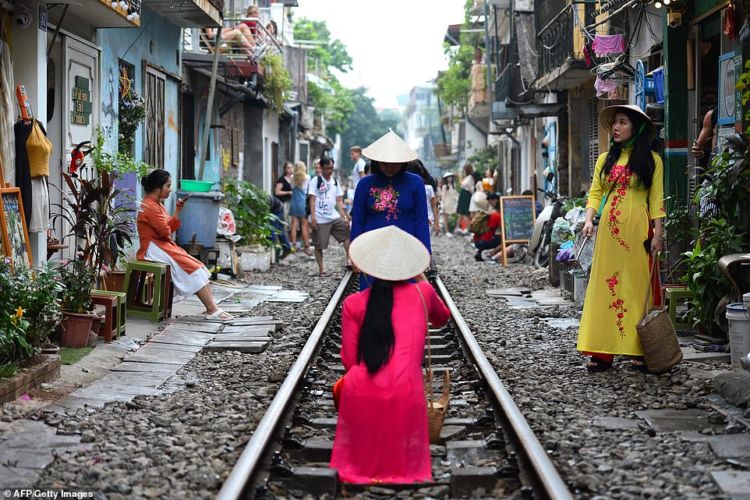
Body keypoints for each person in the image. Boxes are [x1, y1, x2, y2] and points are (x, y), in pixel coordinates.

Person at [330, 226, 451, 484]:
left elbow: (350, 362)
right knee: (393, 389)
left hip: (361, 393)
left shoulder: (354, 303)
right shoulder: (423, 293)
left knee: (345, 385)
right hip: (408, 394)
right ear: (408, 265)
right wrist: (422, 280)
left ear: (369, 266)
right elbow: (442, 318)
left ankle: (368, 447)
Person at [577, 104, 665, 372]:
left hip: (639, 233)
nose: (616, 127)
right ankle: (602, 351)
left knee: (636, 287)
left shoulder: (652, 161)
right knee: (606, 287)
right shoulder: (605, 160)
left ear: (635, 128)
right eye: (615, 122)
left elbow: (656, 200)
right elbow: (595, 193)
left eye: (623, 122)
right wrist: (589, 218)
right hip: (609, 235)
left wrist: (658, 234)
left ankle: (638, 349)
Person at [136, 170, 233, 320]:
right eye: (168, 186)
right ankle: (212, 309)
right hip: (153, 248)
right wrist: (168, 224)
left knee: (197, 266)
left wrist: (177, 210)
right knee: (191, 268)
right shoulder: (150, 206)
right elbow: (164, 231)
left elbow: (169, 227)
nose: (170, 190)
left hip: (162, 246)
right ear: (157, 187)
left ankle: (212, 308)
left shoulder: (156, 205)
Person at [350, 131, 430, 290]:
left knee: (406, 296)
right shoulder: (365, 184)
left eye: (394, 163)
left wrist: (425, 252)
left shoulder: (416, 183)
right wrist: (353, 253)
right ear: (376, 161)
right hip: (372, 249)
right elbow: (358, 220)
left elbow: (421, 220)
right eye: (385, 163)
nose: (390, 167)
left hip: (406, 248)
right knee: (372, 297)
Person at [308, 154, 350, 276]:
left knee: (347, 232)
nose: (329, 171)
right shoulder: (315, 181)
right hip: (320, 218)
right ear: (321, 168)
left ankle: (349, 259)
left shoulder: (335, 181)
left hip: (333, 216)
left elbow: (339, 201)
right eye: (326, 168)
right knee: (319, 245)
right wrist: (313, 217)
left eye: (331, 168)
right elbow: (312, 200)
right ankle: (322, 269)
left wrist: (344, 217)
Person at [407, 159, 440, 236]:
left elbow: (434, 205)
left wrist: (436, 222)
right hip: (428, 219)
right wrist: (436, 222)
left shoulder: (428, 187)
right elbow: (434, 205)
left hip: (424, 220)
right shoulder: (429, 186)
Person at [289, 161, 312, 255]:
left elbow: (291, 188)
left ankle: (293, 246)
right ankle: (306, 246)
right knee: (304, 226)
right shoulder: (307, 177)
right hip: (303, 203)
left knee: (293, 225)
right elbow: (308, 190)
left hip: (294, 202)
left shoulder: (292, 178)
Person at [472, 192, 501, 261]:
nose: (490, 204)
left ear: (494, 200)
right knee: (505, 239)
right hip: (484, 241)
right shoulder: (496, 214)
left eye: (490, 203)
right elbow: (502, 228)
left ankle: (479, 252)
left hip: (476, 240)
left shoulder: (489, 213)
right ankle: (492, 254)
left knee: (489, 235)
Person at [268, 194, 291, 259]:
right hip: (278, 206)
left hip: (278, 209)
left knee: (271, 230)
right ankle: (287, 247)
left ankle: (276, 250)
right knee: (280, 230)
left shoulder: (263, 202)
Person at [456, 164, 475, 234]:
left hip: (466, 194)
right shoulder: (468, 177)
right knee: (462, 212)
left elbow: (465, 185)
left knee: (465, 212)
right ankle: (458, 227)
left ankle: (467, 228)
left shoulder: (470, 177)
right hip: (464, 194)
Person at [440, 172, 458, 236]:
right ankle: (447, 231)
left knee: (454, 216)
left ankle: (452, 229)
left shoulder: (453, 186)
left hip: (452, 203)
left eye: (451, 177)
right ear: (446, 179)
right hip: (446, 203)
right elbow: (443, 196)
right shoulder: (445, 186)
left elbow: (455, 195)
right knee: (446, 218)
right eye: (448, 177)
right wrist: (443, 205)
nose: (450, 178)